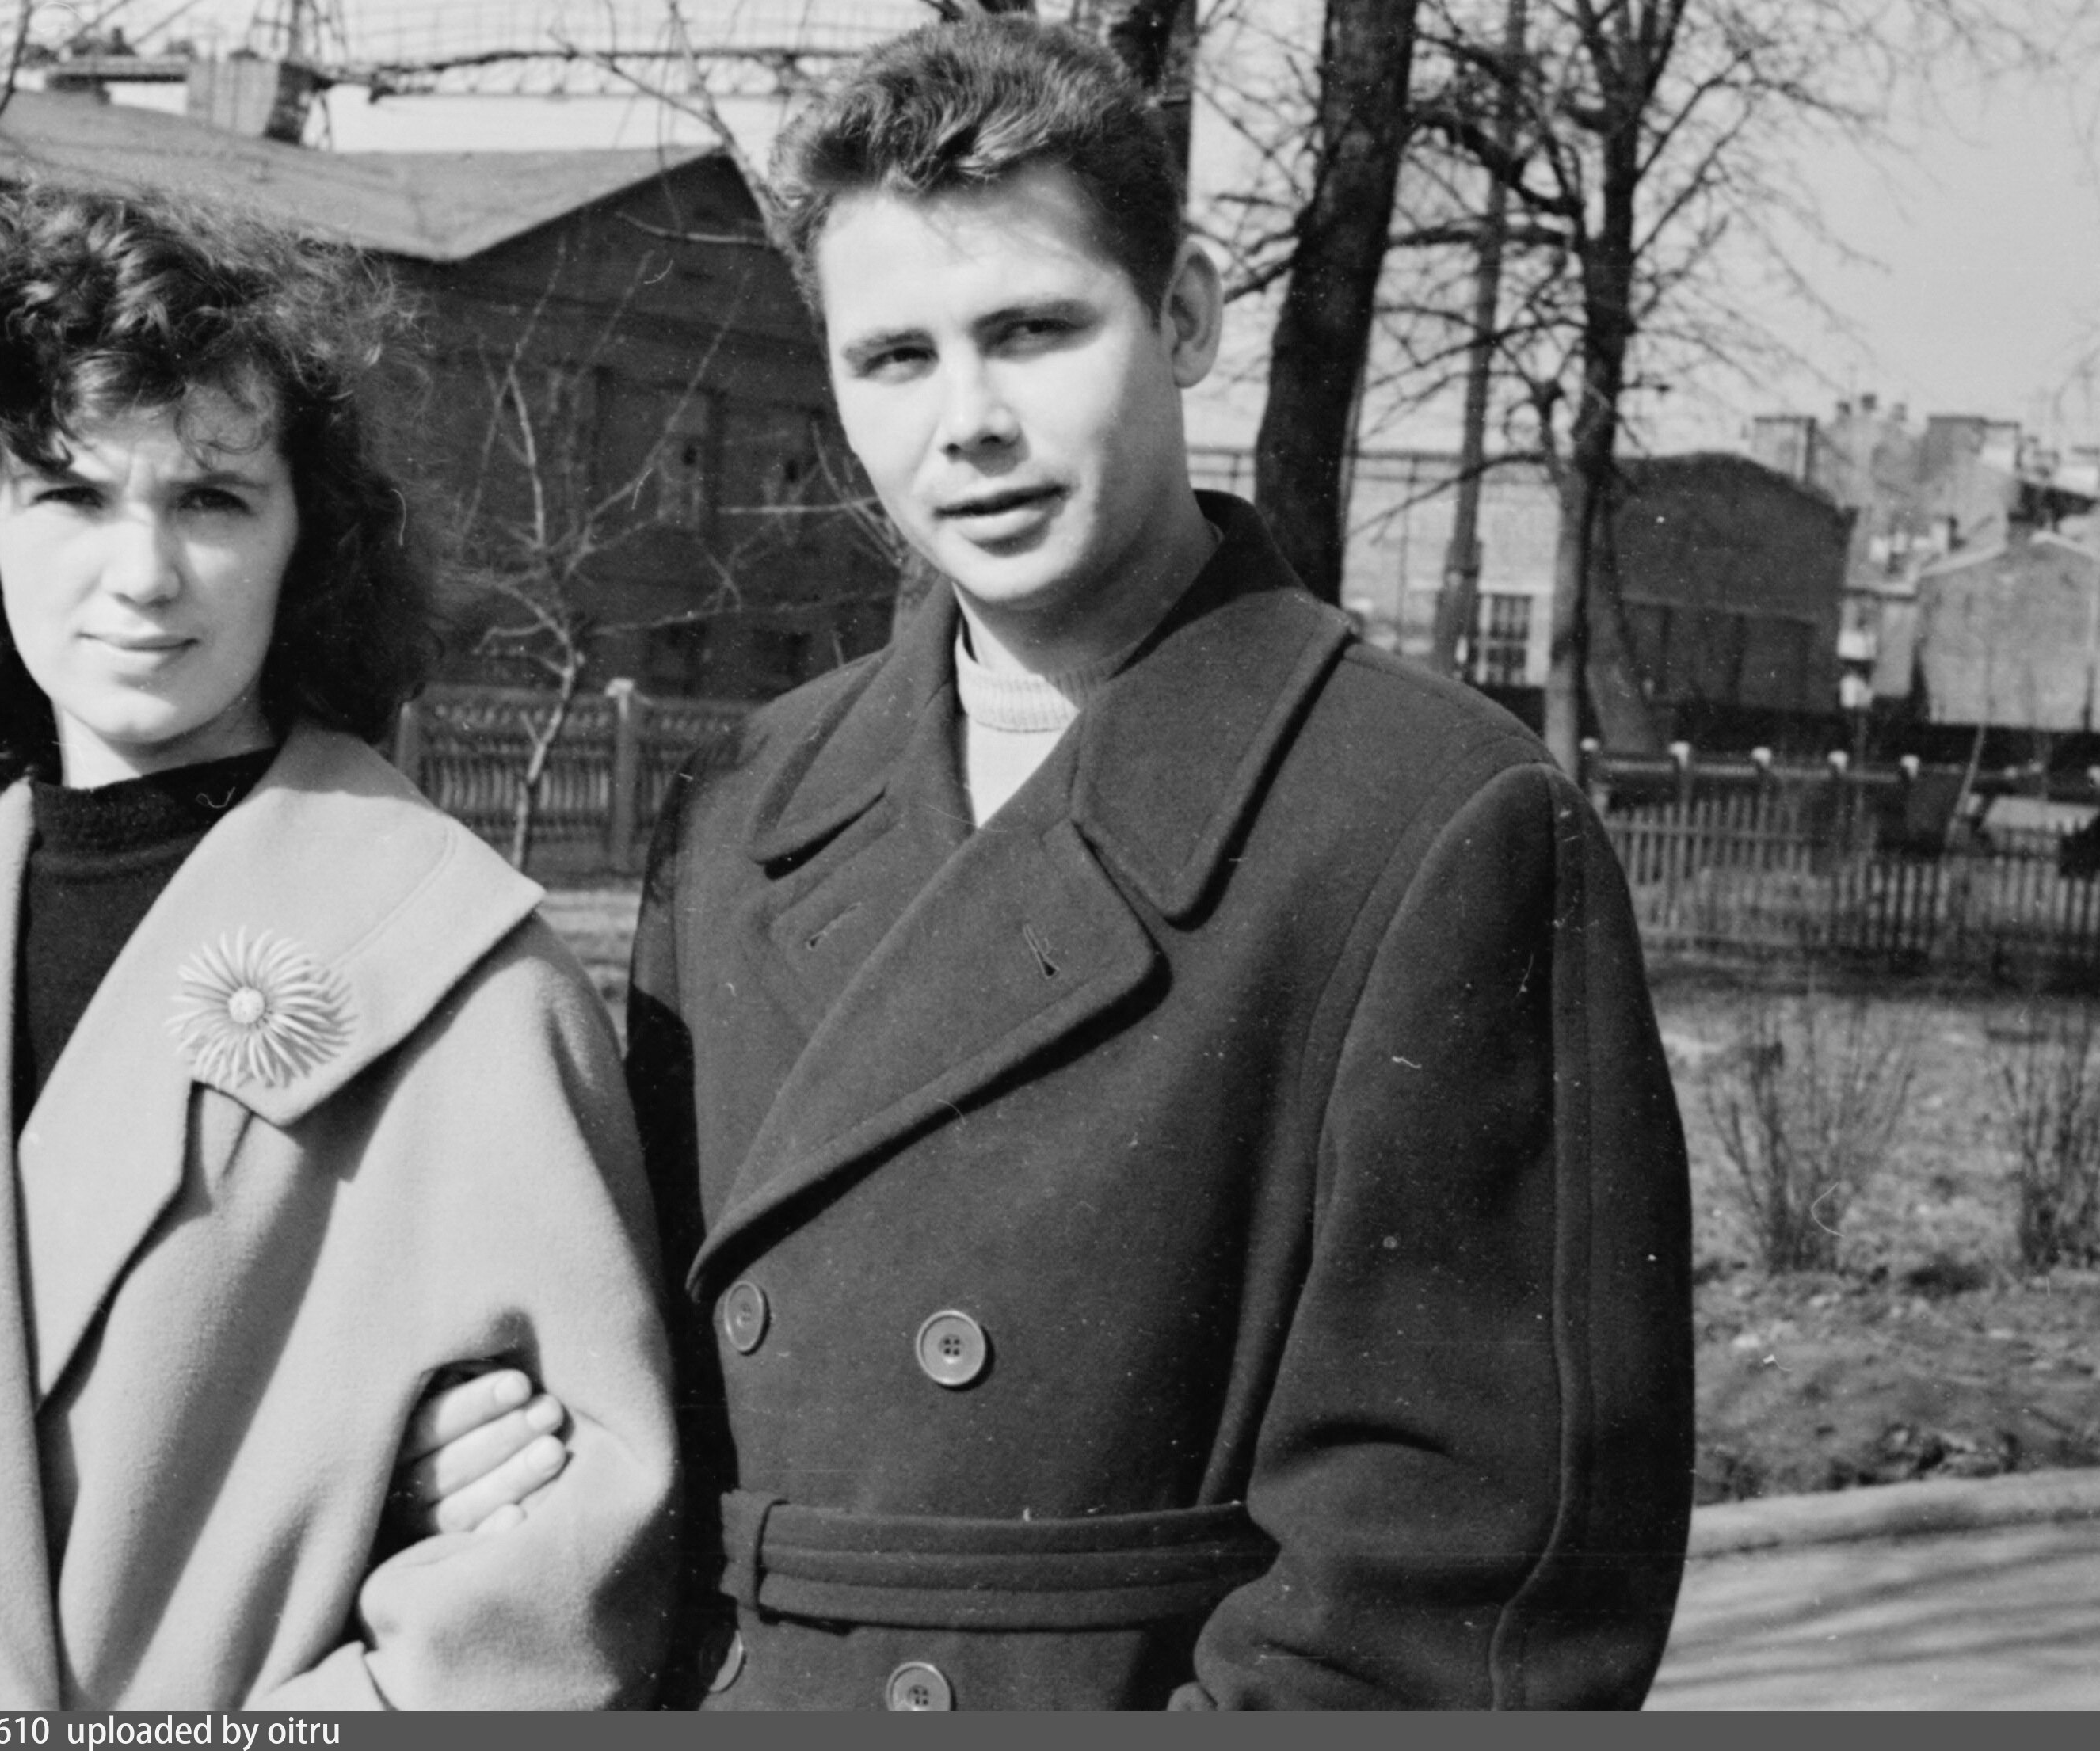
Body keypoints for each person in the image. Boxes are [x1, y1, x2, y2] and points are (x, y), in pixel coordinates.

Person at [433, 14, 1694, 1710]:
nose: (968, 423)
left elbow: (1451, 1588)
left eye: (1032, 331)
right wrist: (490, 1445)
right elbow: (643, 1391)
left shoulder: (1431, 818)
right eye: (894, 358)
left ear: (1186, 318)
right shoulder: (744, 805)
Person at [0, 188, 676, 1711]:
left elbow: (565, 1573)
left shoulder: (460, 970)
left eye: (212, 499)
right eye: (69, 495)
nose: (142, 574)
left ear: (304, 542)